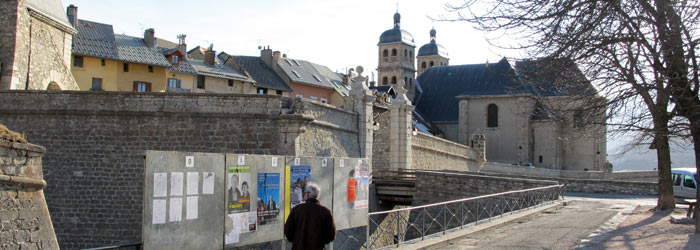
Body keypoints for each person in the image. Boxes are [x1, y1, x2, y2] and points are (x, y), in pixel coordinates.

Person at [284, 183, 335, 250]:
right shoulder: (326, 212)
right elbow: (331, 235)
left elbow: (288, 230)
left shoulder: (296, 210)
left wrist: (296, 241)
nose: (304, 194)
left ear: (308, 194)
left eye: (305, 193)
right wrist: (321, 242)